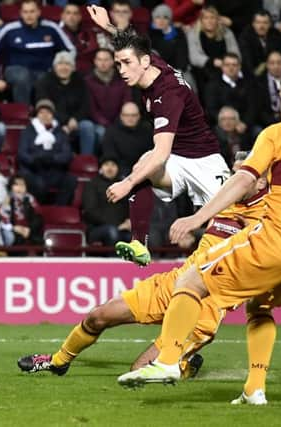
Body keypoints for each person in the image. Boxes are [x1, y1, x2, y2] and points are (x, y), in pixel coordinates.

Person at [117, 69, 281, 406]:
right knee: (260, 306)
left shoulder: (279, 133)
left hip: (278, 240)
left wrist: (199, 217)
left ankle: (168, 361)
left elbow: (244, 180)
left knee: (191, 279)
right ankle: (254, 388)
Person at [16, 152, 270, 378]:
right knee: (98, 316)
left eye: (242, 175)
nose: (234, 180)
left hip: (206, 305)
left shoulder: (269, 217)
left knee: (139, 372)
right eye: (235, 173)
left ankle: (185, 365)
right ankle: (58, 362)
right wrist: (154, 158)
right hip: (178, 282)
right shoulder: (221, 197)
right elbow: (162, 176)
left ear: (261, 181)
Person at [87, 5, 230, 266]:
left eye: (126, 63)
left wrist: (126, 184)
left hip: (205, 160)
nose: (121, 69)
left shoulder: (167, 96)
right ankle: (139, 245)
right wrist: (107, 26)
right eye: (118, 63)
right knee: (144, 165)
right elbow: (133, 44)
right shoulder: (152, 63)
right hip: (179, 157)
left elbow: (161, 152)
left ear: (143, 62)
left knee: (240, 221)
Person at [0, 0, 75, 104]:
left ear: (39, 12)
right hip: (16, 69)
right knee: (23, 76)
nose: (29, 15)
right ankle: (24, 113)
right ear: (20, 13)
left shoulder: (51, 28)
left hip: (44, 70)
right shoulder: (9, 29)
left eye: (32, 11)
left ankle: (43, 113)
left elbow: (70, 50)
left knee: (46, 79)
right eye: (25, 12)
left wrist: (64, 67)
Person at [17, 99, 76, 206]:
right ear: (37, 115)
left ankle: (58, 209)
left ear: (53, 115)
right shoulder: (28, 131)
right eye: (41, 112)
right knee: (37, 183)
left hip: (55, 170)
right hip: (34, 170)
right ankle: (40, 209)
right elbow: (22, 153)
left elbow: (67, 154)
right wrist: (35, 159)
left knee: (71, 180)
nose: (45, 115)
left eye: (48, 112)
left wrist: (52, 158)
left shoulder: (60, 132)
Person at [35, 51, 96, 155]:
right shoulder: (44, 82)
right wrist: (66, 121)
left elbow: (86, 105)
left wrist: (75, 120)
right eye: (60, 64)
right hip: (54, 121)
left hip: (77, 122)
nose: (64, 67)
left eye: (67, 64)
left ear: (73, 68)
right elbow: (45, 107)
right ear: (54, 67)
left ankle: (85, 159)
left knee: (88, 126)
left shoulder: (80, 81)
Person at [186, 5, 241, 89]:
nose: (209, 21)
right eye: (206, 18)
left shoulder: (227, 33)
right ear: (201, 20)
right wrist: (213, 62)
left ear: (217, 19)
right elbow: (194, 57)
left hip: (225, 68)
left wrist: (227, 64)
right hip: (203, 70)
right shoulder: (193, 34)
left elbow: (235, 53)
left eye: (212, 18)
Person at [84, 48, 132, 144]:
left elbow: (126, 103)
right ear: (95, 61)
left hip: (120, 121)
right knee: (103, 133)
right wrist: (107, 125)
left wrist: (118, 122)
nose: (103, 63)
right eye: (100, 60)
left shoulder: (122, 79)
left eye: (106, 60)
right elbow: (92, 109)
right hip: (98, 123)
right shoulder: (88, 81)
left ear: (112, 61)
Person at [82, 155, 130, 246]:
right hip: (97, 228)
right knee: (112, 232)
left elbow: (129, 208)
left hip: (122, 227)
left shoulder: (123, 186)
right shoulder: (92, 185)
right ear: (101, 168)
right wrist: (116, 225)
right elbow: (90, 211)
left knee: (135, 236)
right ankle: (113, 260)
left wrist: (129, 221)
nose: (110, 168)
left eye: (113, 165)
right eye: (106, 164)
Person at [101, 102, 153, 178]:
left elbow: (151, 153)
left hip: (143, 169)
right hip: (120, 173)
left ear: (139, 116)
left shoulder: (147, 130)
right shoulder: (111, 132)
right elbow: (110, 157)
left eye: (133, 115)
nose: (130, 118)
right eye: (126, 115)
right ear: (121, 116)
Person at [203, 53, 255, 127]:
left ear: (239, 67)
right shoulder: (212, 85)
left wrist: (245, 123)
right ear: (222, 67)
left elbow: (252, 107)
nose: (231, 68)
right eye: (227, 65)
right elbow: (211, 109)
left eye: (234, 65)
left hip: (243, 124)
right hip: (220, 124)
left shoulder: (248, 83)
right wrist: (227, 122)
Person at [0, 175, 44, 247]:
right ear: (11, 187)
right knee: (14, 239)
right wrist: (14, 228)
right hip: (13, 230)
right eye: (16, 185)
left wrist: (29, 229)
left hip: (28, 230)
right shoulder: (7, 199)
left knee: (39, 240)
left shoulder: (30, 199)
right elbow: (3, 219)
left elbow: (38, 217)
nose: (20, 188)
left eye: (22, 185)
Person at [237, 9, 281, 78]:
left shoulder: (277, 35)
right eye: (258, 22)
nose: (261, 26)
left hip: (275, 72)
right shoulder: (245, 37)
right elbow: (248, 64)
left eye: (265, 23)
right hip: (252, 75)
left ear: (270, 24)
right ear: (253, 24)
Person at [60, 2, 101, 74]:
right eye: (68, 13)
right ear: (62, 16)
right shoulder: (57, 33)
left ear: (80, 17)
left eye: (75, 13)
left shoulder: (90, 32)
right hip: (66, 71)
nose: (71, 16)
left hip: (90, 72)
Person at [254, 50, 281, 129]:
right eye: (272, 63)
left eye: (279, 63)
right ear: (267, 65)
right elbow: (258, 108)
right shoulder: (258, 82)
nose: (276, 66)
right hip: (265, 122)